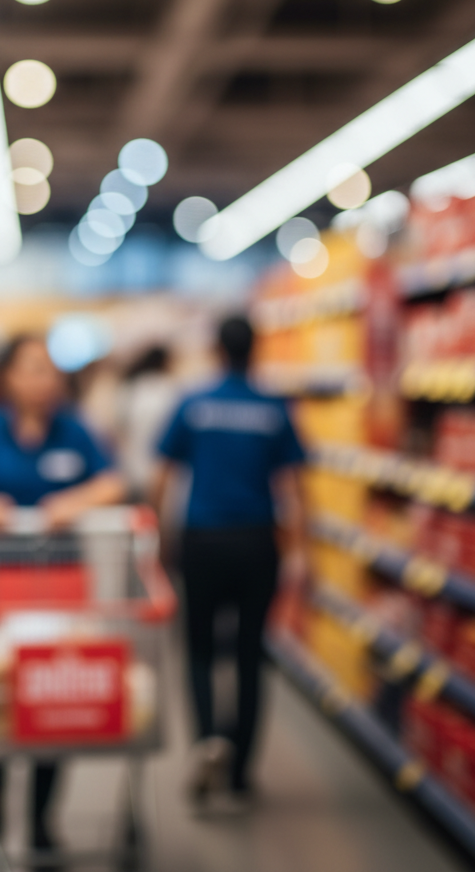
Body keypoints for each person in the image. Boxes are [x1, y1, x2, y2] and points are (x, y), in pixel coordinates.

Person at [0, 335, 126, 852]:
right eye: (31, 369)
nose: (42, 380)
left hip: (60, 586)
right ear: (8, 377)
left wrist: (74, 501)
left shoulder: (76, 430)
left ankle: (42, 819)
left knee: (52, 694)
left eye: (48, 370)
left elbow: (113, 483)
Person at [151, 315, 307, 809]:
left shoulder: (194, 403)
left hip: (203, 539)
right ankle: (240, 773)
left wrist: (158, 537)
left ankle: (205, 745)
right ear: (255, 351)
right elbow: (292, 486)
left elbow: (163, 475)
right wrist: (300, 549)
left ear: (216, 350)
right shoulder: (274, 407)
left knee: (197, 648)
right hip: (258, 541)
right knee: (248, 654)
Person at [117, 345, 179, 501]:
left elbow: (119, 431)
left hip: (131, 470)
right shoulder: (170, 390)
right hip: (160, 473)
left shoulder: (130, 388)